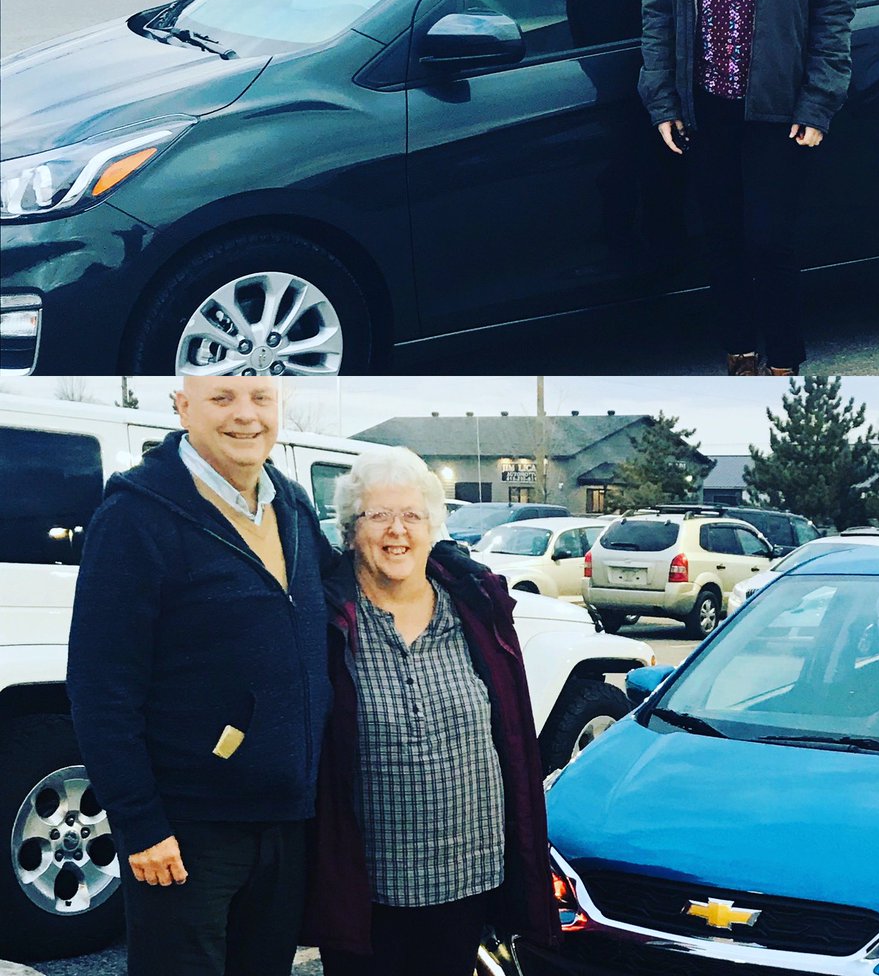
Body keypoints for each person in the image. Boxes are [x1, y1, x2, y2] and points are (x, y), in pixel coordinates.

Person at [66, 376, 333, 976]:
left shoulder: (289, 504)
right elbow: (100, 687)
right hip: (188, 832)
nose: (246, 415)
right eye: (222, 398)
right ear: (182, 406)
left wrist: (439, 563)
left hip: (286, 821)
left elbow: (346, 587)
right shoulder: (136, 516)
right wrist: (140, 824)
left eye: (261, 398)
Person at [303, 447, 558, 976]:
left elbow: (510, 736)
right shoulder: (327, 618)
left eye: (412, 516)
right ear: (352, 530)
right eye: (379, 516)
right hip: (368, 884)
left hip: (468, 875)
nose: (397, 531)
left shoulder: (474, 606)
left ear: (432, 528)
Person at [639, 0, 856, 375]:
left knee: (770, 240)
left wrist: (818, 103)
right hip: (704, 105)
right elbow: (658, 6)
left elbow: (834, 12)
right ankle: (740, 351)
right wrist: (662, 100)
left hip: (778, 108)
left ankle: (784, 359)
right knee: (720, 239)